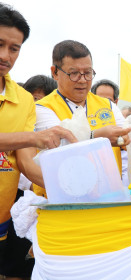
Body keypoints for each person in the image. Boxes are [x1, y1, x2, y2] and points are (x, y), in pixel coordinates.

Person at [0, 4, 76, 279]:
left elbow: (26, 160)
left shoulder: (22, 100)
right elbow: (31, 140)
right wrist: (34, 136)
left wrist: (68, 187)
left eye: (14, 48)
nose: (5, 56)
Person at [20, 40, 131, 197]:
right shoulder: (42, 108)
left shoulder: (108, 106)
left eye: (88, 73)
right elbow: (61, 146)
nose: (82, 80)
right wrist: (98, 136)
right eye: (74, 73)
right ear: (55, 72)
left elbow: (126, 134)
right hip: (62, 200)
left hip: (109, 199)